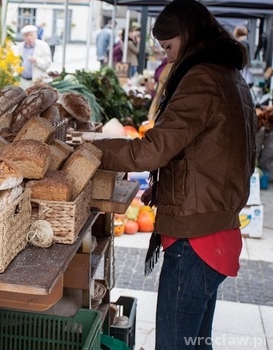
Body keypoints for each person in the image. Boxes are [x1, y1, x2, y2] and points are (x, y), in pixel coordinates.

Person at [91, 0, 255, 348]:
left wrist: (94, 148)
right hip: (216, 229)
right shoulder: (230, 75)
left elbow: (151, 150)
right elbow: (212, 154)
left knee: (174, 344)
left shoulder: (203, 78)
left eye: (169, 46)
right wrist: (168, 189)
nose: (169, 57)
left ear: (189, 34)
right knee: (195, 342)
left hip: (197, 240)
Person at [16, 25, 52, 89]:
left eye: (31, 35)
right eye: (26, 35)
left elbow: (47, 64)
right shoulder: (19, 47)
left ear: (36, 35)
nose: (29, 38)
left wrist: (36, 61)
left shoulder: (43, 46)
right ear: (23, 37)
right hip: (22, 81)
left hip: (37, 81)